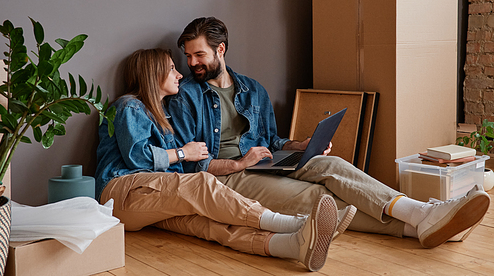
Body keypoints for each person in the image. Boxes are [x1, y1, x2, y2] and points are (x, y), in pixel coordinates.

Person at [167, 16, 491, 249]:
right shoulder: (186, 98)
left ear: (220, 50)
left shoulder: (252, 89)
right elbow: (190, 165)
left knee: (332, 165)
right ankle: (421, 221)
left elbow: (273, 140)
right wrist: (239, 164)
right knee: (317, 199)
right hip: (229, 176)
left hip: (266, 160)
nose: (192, 62)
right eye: (188, 56)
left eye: (199, 54)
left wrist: (300, 144)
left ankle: (422, 215)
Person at [94, 48, 346, 272]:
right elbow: (138, 158)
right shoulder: (129, 106)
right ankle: (293, 224)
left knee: (209, 223)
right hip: (121, 192)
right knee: (201, 183)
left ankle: (291, 245)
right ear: (152, 73)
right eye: (172, 68)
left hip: (152, 197)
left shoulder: (164, 118)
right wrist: (185, 152)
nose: (180, 74)